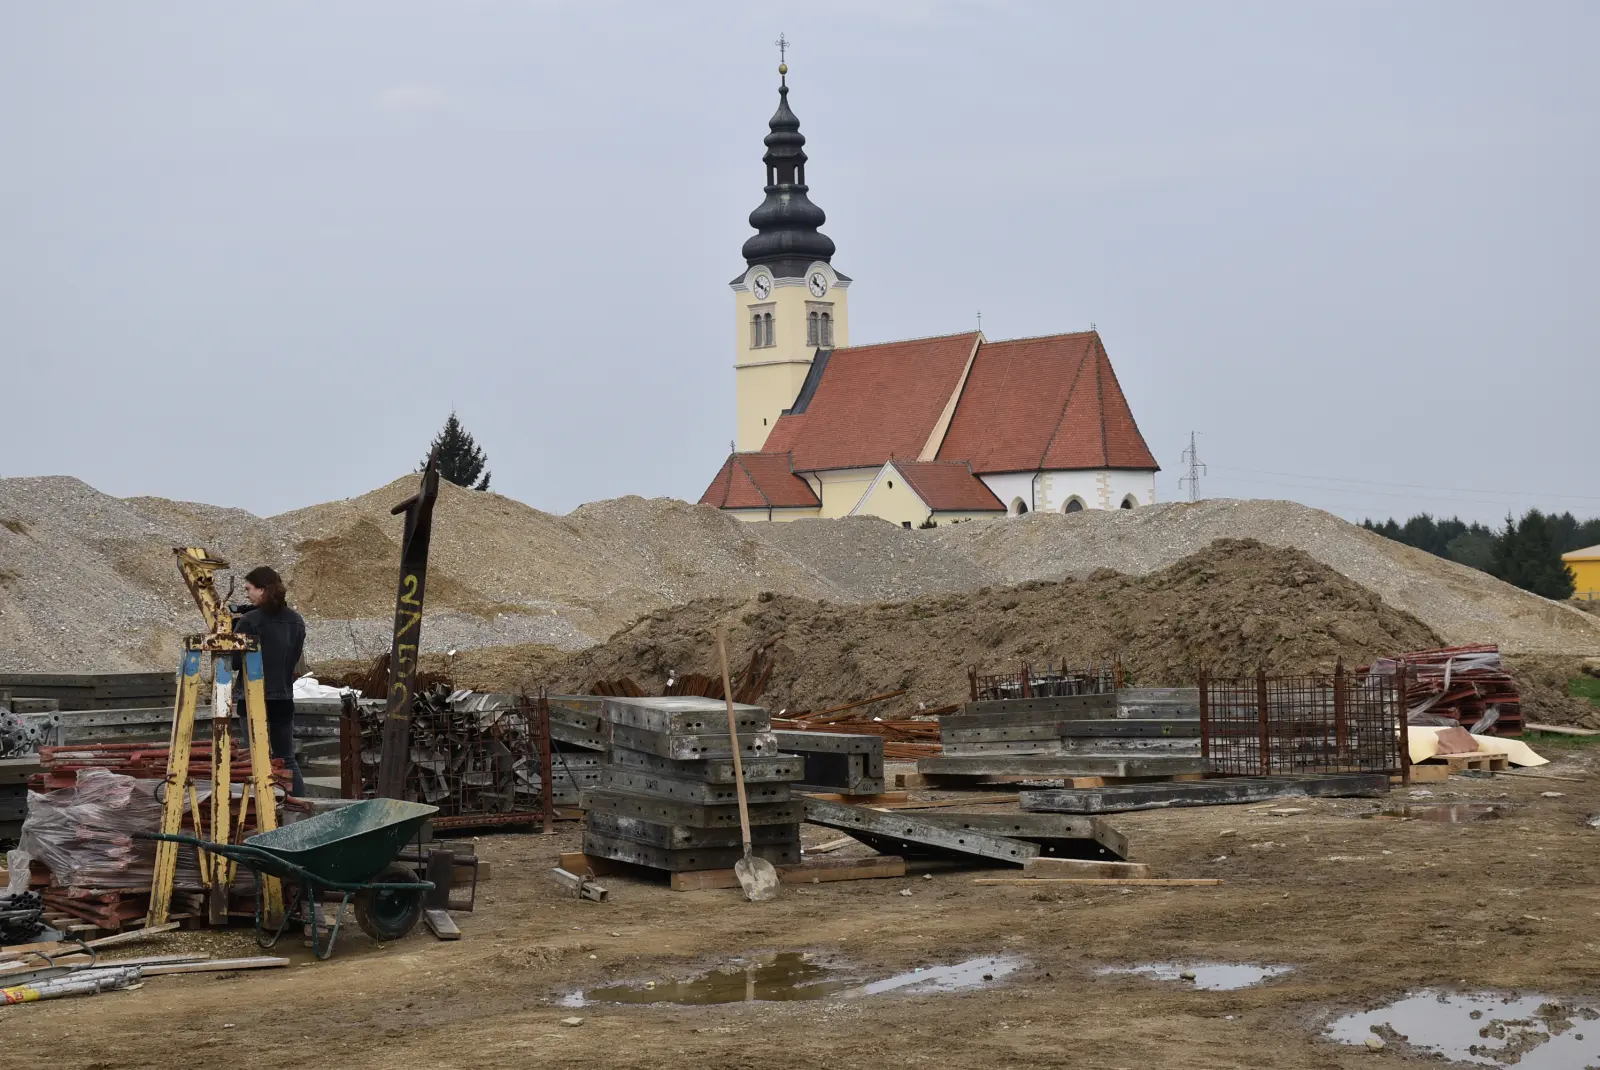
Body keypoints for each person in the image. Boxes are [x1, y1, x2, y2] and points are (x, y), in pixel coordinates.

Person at [234, 566, 307, 797]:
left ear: (262, 589)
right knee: (287, 758)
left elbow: (234, 662)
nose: (247, 594)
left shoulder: (249, 621)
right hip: (283, 698)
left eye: (249, 589)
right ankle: (300, 804)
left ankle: (266, 807)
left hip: (252, 699)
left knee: (258, 759)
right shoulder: (296, 621)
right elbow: (294, 658)